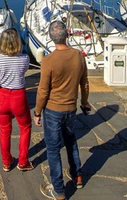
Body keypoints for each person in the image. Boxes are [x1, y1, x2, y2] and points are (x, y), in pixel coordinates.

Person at [34, 20, 92, 200]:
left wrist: (37, 112)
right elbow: (85, 82)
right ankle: (77, 175)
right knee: (71, 141)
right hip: (71, 107)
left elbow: (43, 90)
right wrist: (85, 102)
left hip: (52, 110)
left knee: (52, 149)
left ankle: (58, 189)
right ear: (66, 34)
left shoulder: (48, 61)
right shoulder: (78, 56)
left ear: (51, 38)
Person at [0, 28, 33, 173]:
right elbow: (23, 71)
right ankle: (23, 161)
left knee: (4, 130)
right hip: (18, 96)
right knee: (25, 127)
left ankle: (7, 162)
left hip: (2, 95)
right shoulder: (24, 59)